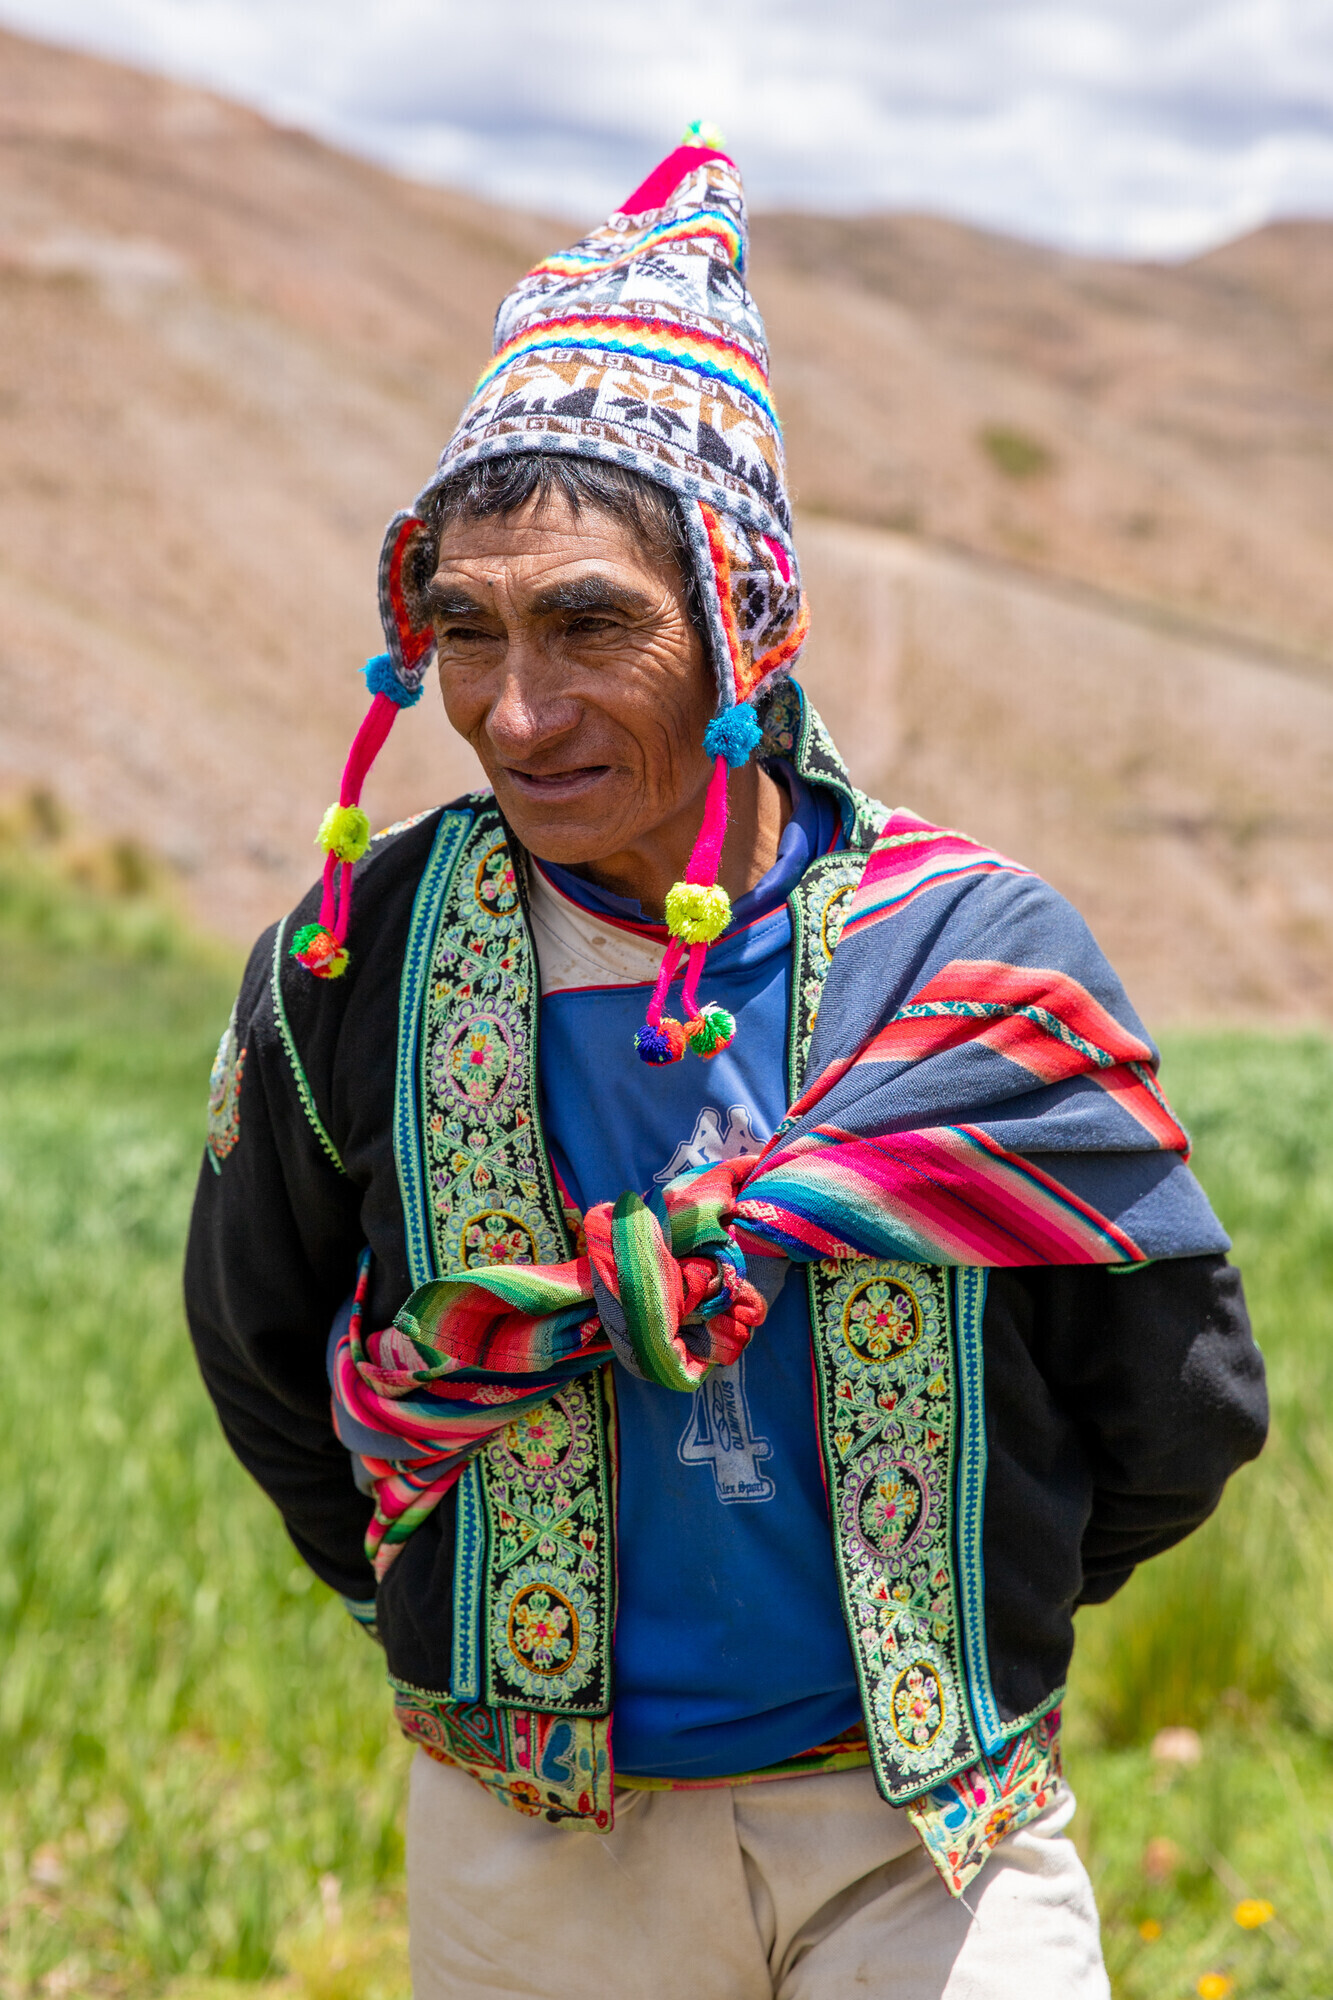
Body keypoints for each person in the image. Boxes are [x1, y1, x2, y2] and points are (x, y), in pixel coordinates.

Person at [185, 129, 1268, 1999]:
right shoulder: (349, 969)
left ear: (747, 617)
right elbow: (269, 1358)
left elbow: (1178, 1404)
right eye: (467, 631)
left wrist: (964, 1608)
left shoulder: (975, 962)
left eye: (590, 624)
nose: (516, 714)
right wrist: (444, 1606)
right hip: (535, 1864)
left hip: (930, 1843)